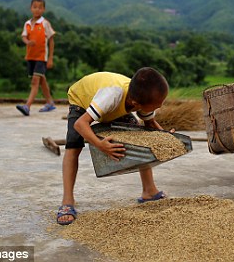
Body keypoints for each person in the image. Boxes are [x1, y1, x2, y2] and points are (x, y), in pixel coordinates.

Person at [56, 67, 170, 225]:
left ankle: (149, 191)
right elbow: (80, 124)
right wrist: (99, 144)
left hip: (111, 106)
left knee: (142, 138)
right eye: (157, 106)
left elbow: (150, 123)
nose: (159, 108)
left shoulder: (137, 97)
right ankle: (67, 201)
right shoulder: (112, 96)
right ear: (136, 104)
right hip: (82, 99)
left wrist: (167, 138)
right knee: (74, 146)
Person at [16, 0, 57, 116]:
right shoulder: (27, 24)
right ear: (31, 8)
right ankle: (50, 102)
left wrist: (50, 58)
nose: (37, 9)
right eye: (35, 7)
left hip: (41, 57)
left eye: (40, 7)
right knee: (41, 80)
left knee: (35, 81)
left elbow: (51, 40)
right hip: (30, 57)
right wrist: (27, 42)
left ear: (43, 9)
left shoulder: (45, 23)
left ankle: (27, 106)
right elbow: (24, 36)